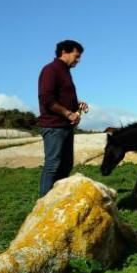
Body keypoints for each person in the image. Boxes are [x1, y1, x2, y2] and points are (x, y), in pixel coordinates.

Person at [37, 39, 89, 196]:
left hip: (65, 127)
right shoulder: (51, 70)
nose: (78, 60)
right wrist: (68, 113)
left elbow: (61, 98)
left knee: (66, 165)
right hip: (54, 127)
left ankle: (57, 199)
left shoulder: (65, 72)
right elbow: (46, 99)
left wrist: (77, 105)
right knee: (53, 165)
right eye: (76, 56)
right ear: (64, 52)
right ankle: (44, 203)